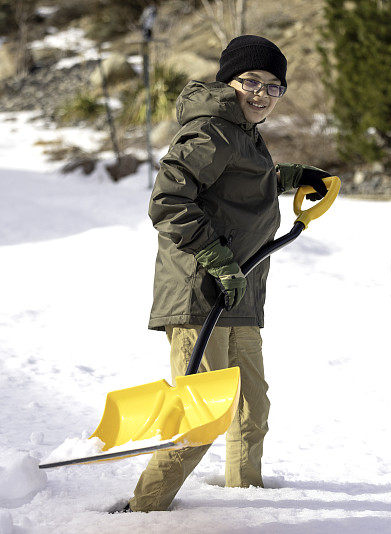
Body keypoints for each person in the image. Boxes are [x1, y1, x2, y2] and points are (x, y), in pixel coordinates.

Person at [123, 35, 332, 513]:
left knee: (250, 410)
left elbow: (235, 185)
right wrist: (217, 261)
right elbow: (168, 202)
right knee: (203, 416)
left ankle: (246, 502)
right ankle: (144, 512)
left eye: (273, 87)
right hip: (201, 294)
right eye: (250, 82)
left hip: (238, 294)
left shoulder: (242, 132)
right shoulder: (212, 130)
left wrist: (288, 178)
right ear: (228, 81)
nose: (261, 94)